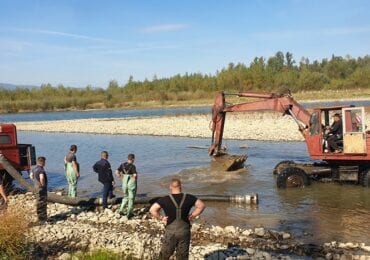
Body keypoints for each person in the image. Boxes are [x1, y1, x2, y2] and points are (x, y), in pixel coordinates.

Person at [150, 178, 205, 260]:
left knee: (165, 255)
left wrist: (162, 218)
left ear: (170, 187)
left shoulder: (164, 199)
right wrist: (192, 216)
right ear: (180, 187)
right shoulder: (189, 197)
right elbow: (201, 206)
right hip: (184, 231)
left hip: (171, 232)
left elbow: (152, 210)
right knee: (182, 256)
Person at [115, 153, 137, 218]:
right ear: (133, 159)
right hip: (131, 183)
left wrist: (121, 177)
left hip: (124, 183)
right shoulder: (133, 166)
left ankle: (121, 210)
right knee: (131, 198)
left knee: (125, 196)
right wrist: (134, 180)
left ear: (128, 158)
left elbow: (116, 172)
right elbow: (135, 175)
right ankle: (129, 213)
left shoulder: (122, 165)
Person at [30, 156, 48, 223]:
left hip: (36, 187)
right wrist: (43, 185)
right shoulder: (41, 170)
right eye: (44, 162)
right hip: (41, 189)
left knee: (38, 202)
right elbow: (42, 178)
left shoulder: (34, 168)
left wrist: (35, 181)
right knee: (42, 202)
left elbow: (31, 176)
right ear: (42, 162)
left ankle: (40, 217)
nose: (45, 163)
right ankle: (42, 219)